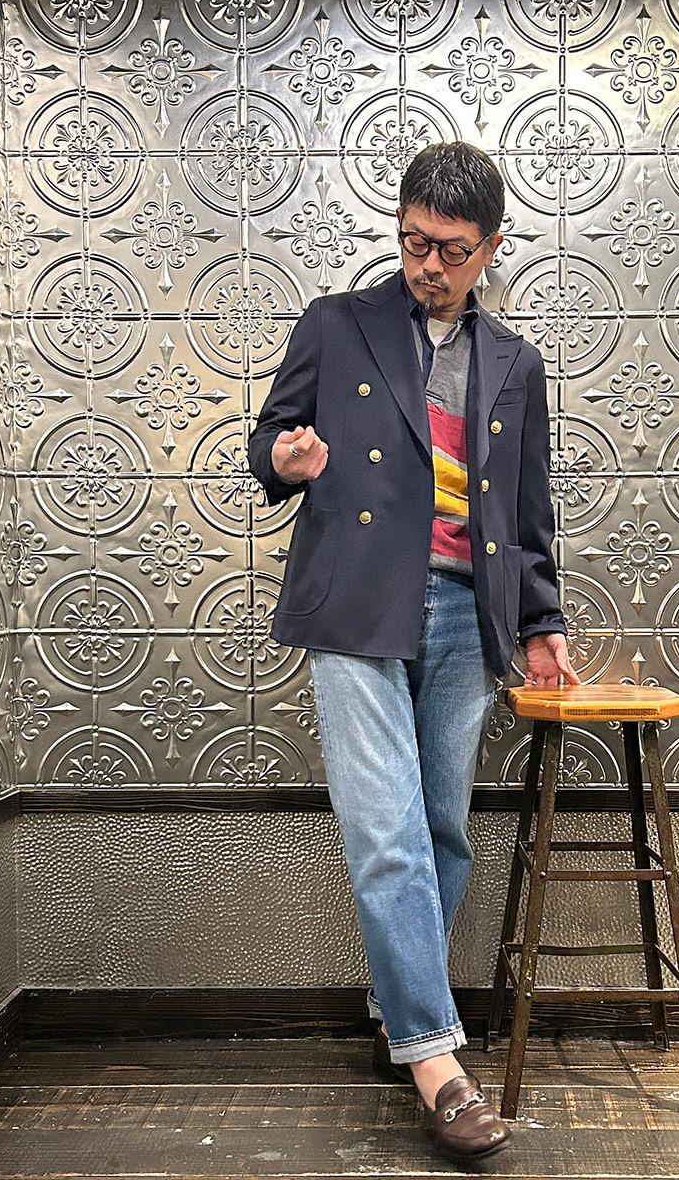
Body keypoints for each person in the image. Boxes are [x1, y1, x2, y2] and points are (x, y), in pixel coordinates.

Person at [247, 141, 581, 1160]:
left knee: (441, 831)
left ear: (491, 249)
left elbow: (526, 512)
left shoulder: (515, 365)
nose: (428, 264)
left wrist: (541, 623)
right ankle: (438, 1063)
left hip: (464, 612)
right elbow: (269, 440)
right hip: (356, 605)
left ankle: (399, 1010)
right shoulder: (337, 323)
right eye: (413, 241)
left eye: (451, 249)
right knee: (386, 832)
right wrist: (286, 459)